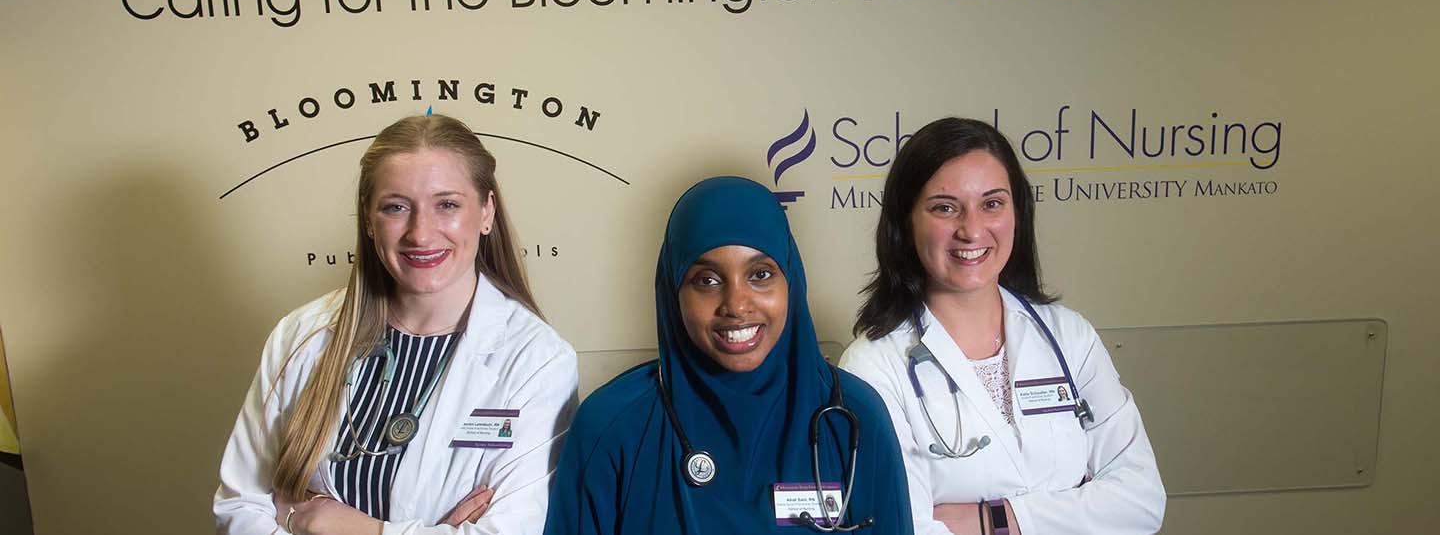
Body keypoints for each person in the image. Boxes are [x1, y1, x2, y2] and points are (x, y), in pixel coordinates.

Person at [214, 114, 579, 535]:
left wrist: (343, 527)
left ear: (486, 212)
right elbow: (240, 506)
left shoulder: (538, 360)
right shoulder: (301, 335)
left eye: (447, 204)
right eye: (396, 207)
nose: (420, 234)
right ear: (368, 219)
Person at [838, 118, 1165, 535]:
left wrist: (995, 520)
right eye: (944, 207)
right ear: (905, 223)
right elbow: (908, 528)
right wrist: (1077, 508)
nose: (971, 229)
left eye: (992, 203)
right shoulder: (872, 366)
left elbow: (1141, 502)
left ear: (1018, 213)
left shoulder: (1070, 337)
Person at [543, 177, 913, 535]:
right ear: (673, 292)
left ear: (793, 282)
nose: (735, 305)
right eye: (707, 280)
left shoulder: (855, 416)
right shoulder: (612, 426)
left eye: (761, 274)